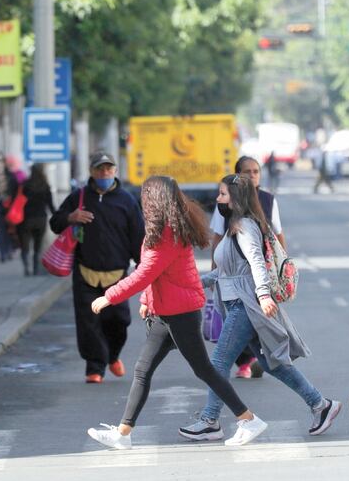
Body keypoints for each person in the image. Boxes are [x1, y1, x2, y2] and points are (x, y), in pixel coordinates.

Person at [86, 176, 268, 448]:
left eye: (146, 196)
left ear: (154, 201)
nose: (142, 201)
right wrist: (147, 299)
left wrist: (109, 296)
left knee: (203, 369)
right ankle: (123, 433)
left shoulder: (168, 233)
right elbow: (156, 275)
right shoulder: (161, 230)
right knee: (142, 370)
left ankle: (248, 419)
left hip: (180, 312)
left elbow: (145, 272)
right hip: (165, 312)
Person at [178, 174, 341, 441]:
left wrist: (264, 295)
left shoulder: (244, 226)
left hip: (247, 305)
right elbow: (226, 273)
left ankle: (210, 420)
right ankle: (321, 405)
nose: (217, 199)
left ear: (235, 198)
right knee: (271, 364)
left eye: (222, 194)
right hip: (239, 303)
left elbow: (255, 262)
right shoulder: (234, 227)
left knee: (218, 362)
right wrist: (196, 283)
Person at [49, 151, 144, 383]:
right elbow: (55, 223)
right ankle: (95, 367)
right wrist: (71, 217)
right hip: (85, 271)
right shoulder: (78, 197)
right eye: (100, 169)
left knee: (119, 320)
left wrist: (144, 268)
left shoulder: (127, 201)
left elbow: (138, 237)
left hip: (117, 274)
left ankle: (112, 356)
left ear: (115, 171)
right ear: (91, 172)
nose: (104, 173)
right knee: (88, 322)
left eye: (108, 169)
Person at [208, 155, 285, 378]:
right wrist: (214, 273)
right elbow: (217, 238)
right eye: (247, 172)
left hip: (258, 277)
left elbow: (277, 237)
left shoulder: (268, 201)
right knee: (240, 323)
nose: (252, 175)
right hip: (234, 277)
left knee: (256, 323)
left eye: (256, 171)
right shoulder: (225, 202)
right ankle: (250, 362)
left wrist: (281, 270)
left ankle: (264, 360)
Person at [17, 163, 55, 276]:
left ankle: (26, 268)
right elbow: (50, 205)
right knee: (37, 247)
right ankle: (35, 269)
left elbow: (18, 200)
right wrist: (58, 217)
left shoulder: (25, 185)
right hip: (41, 220)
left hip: (26, 219)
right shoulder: (45, 186)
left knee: (25, 246)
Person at [0, 154, 19, 263]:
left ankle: (3, 253)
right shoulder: (10, 175)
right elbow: (16, 191)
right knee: (9, 230)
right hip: (9, 207)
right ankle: (8, 251)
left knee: (1, 231)